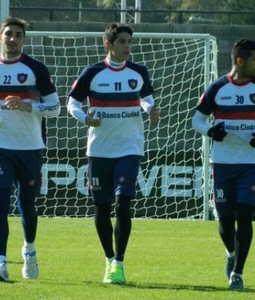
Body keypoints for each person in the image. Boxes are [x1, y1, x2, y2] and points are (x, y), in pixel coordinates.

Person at [67, 23, 159, 285]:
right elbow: (71, 103)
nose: (127, 46)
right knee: (102, 206)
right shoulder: (93, 73)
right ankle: (108, 259)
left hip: (130, 148)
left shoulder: (139, 72)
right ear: (108, 44)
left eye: (129, 41)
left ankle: (118, 262)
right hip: (99, 149)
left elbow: (146, 99)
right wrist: (86, 118)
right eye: (121, 41)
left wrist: (149, 109)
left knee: (123, 204)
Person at [192, 39, 255, 290]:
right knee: (225, 222)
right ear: (239, 61)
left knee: (245, 216)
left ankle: (237, 272)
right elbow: (197, 120)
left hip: (251, 163)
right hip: (222, 163)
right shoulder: (217, 88)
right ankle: (231, 253)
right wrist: (211, 131)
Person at [0, 17, 61, 282]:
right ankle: (0, 263)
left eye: (18, 35)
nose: (13, 39)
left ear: (23, 39)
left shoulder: (36, 69)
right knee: (0, 202)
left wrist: (27, 105)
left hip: (30, 147)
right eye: (8, 34)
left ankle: (29, 251)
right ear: (0, 38)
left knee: (27, 204)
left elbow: (55, 108)